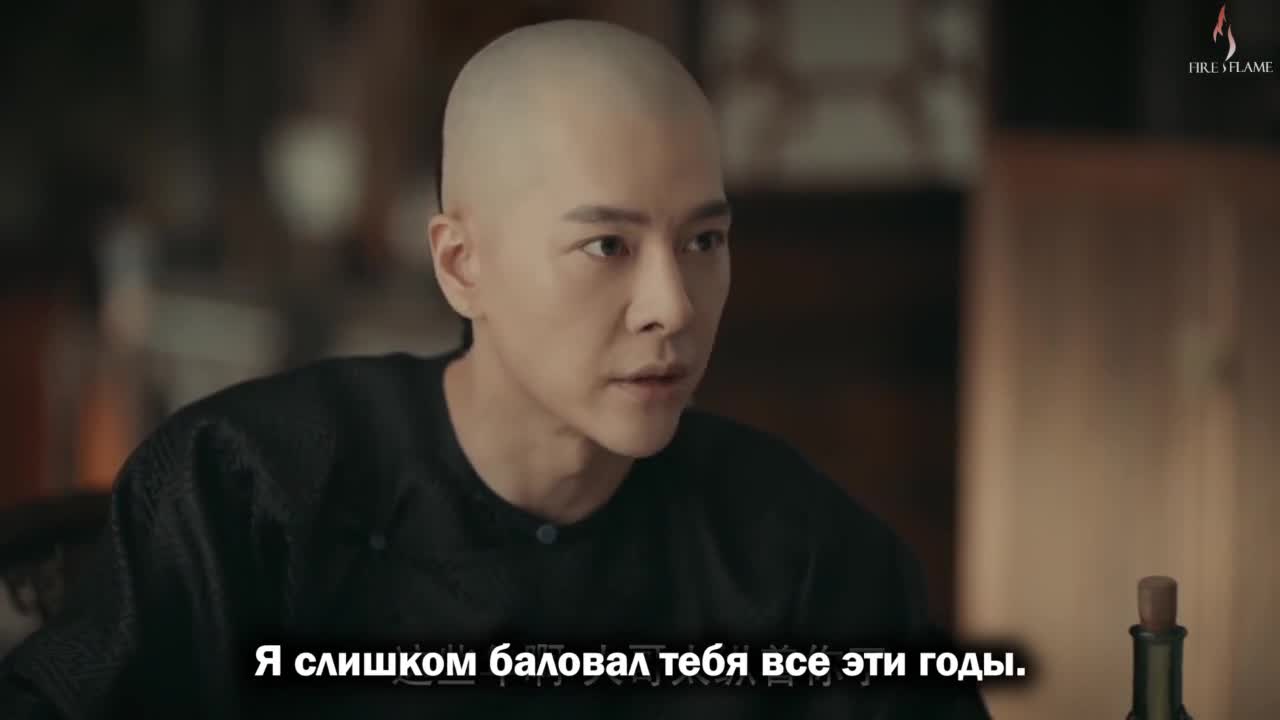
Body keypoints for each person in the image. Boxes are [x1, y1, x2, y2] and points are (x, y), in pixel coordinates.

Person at [0, 20, 989, 719]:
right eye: (607, 246)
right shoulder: (245, 492)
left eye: (703, 241)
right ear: (461, 264)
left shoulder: (803, 555)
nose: (674, 306)